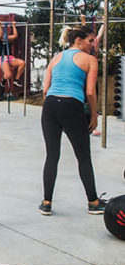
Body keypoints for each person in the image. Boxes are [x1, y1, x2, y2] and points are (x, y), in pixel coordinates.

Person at [39, 25, 107, 216]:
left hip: (50, 105)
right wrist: (94, 116)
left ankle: (46, 202)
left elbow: (45, 90)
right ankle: (93, 202)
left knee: (52, 156)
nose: (92, 44)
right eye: (90, 40)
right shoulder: (90, 60)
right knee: (83, 156)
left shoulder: (56, 58)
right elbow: (91, 93)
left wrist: (55, 107)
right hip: (72, 105)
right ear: (79, 40)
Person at [80, 14, 105, 137]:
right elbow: (83, 33)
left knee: (93, 100)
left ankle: (92, 125)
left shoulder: (94, 43)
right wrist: (83, 21)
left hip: (92, 75)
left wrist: (104, 23)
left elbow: (100, 34)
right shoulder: (85, 44)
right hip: (84, 75)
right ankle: (84, 123)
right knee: (84, 99)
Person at [0, 20, 25, 90]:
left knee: (22, 63)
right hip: (3, 58)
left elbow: (15, 36)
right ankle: (3, 80)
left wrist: (14, 26)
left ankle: (17, 80)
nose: (1, 34)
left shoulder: (7, 38)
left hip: (10, 57)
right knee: (9, 75)